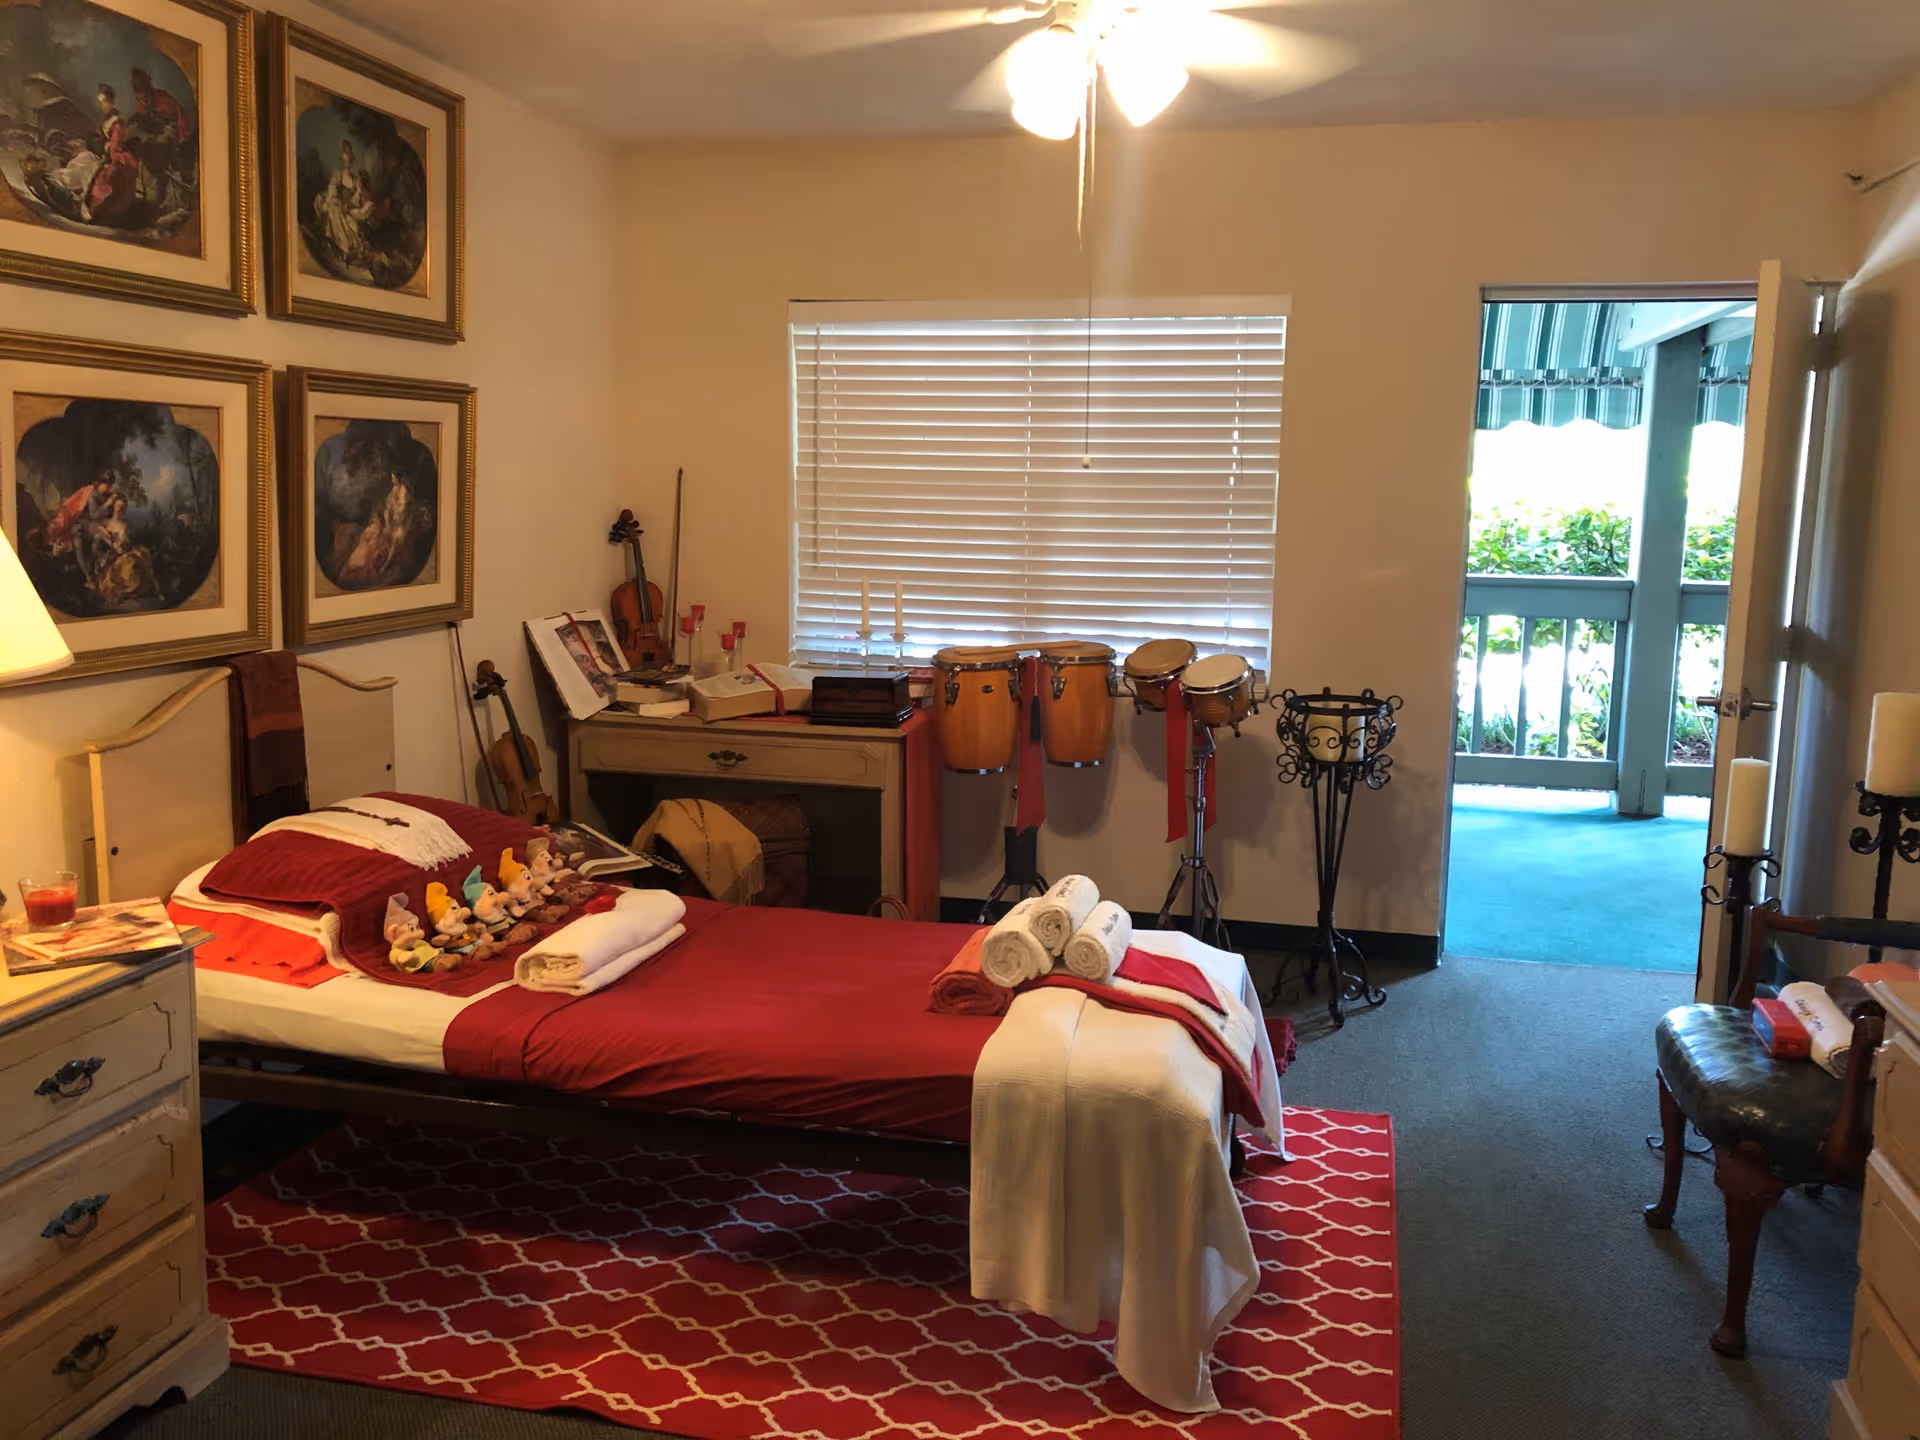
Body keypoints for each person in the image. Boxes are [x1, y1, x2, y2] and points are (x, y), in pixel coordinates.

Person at [85, 84, 139, 226]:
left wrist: (106, 151)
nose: (103, 106)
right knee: (81, 161)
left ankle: (95, 209)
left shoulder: (117, 122)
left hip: (116, 155)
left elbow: (115, 145)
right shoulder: (105, 120)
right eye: (101, 102)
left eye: (104, 102)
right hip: (105, 153)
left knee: (102, 174)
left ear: (111, 101)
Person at [129, 68, 193, 144]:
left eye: (145, 98)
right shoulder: (141, 104)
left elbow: (179, 122)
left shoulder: (164, 100)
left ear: (149, 92)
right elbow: (141, 119)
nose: (143, 102)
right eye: (139, 99)